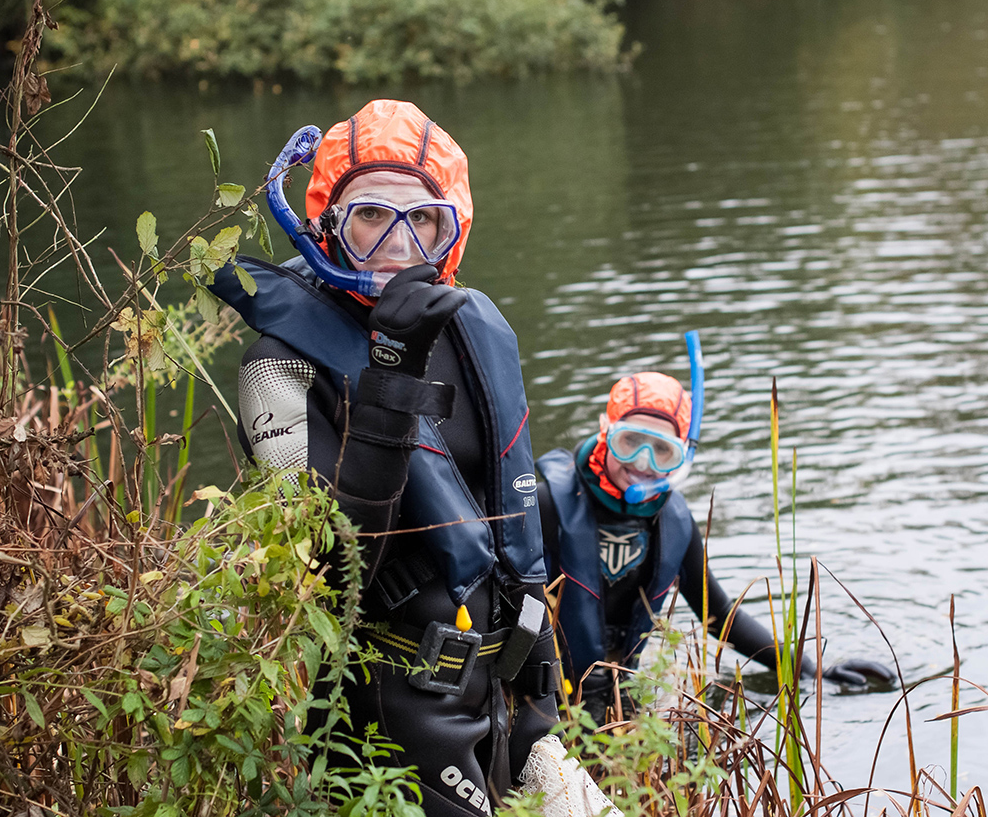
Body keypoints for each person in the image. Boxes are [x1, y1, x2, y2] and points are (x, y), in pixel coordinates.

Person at [210, 100, 565, 816]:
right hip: (378, 706)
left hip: (492, 691)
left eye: (422, 218)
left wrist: (540, 682)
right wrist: (391, 379)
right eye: (371, 215)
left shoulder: (474, 330)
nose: (398, 244)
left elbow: (509, 511)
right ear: (327, 224)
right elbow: (326, 572)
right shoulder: (272, 370)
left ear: (451, 228)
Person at [535, 361, 894, 724]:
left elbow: (718, 614)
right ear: (605, 431)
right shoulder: (547, 505)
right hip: (540, 697)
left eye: (662, 450)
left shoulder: (674, 523)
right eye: (629, 442)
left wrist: (809, 669)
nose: (642, 462)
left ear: (682, 455)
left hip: (617, 696)